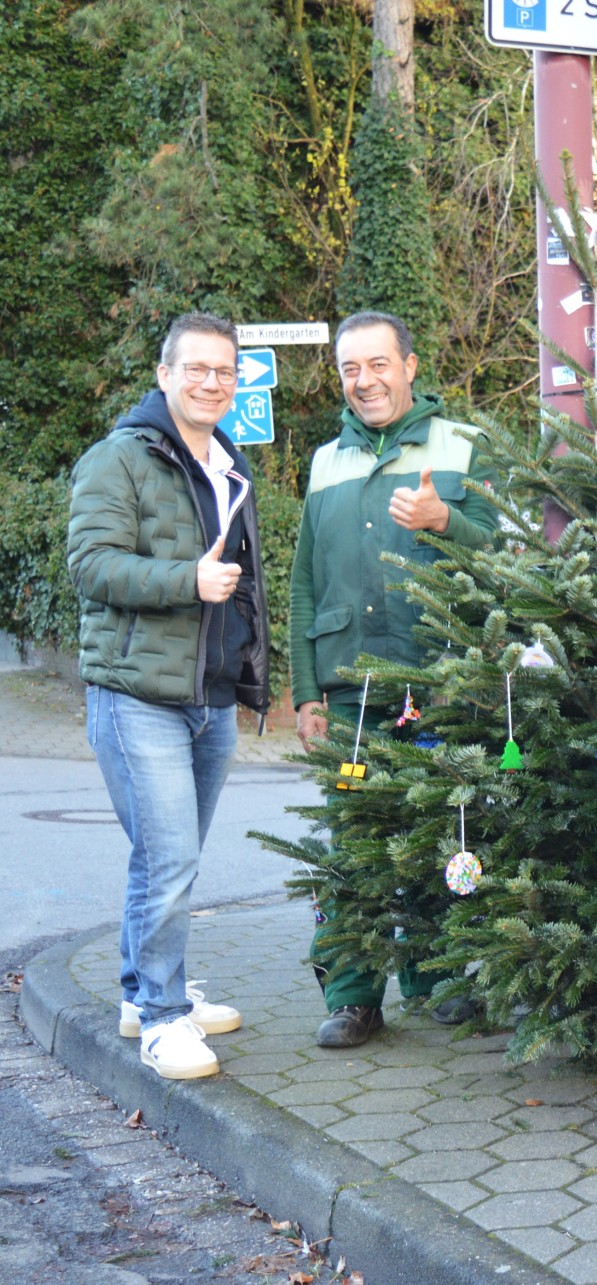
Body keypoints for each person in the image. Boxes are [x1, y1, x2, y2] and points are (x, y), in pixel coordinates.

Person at [290, 311, 501, 1049]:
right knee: (353, 845)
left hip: (439, 684)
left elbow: (510, 557)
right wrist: (306, 691)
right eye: (351, 368)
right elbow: (302, 585)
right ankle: (353, 997)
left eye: (379, 364)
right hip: (350, 694)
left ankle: (438, 977)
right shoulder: (324, 463)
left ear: (410, 366)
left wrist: (448, 520)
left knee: (443, 837)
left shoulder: (465, 447)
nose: (365, 380)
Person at [67, 312, 268, 1081]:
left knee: (165, 857)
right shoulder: (118, 459)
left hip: (209, 695)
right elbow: (92, 565)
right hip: (136, 693)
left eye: (225, 371)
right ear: (164, 374)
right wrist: (186, 580)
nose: (212, 382)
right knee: (171, 856)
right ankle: (160, 1016)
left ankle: (138, 991)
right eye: (197, 369)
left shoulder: (227, 463)